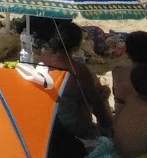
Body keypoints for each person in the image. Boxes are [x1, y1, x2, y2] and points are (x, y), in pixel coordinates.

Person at [37, 22, 112, 157]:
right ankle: (105, 128)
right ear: (77, 47)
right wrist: (105, 95)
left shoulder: (43, 57)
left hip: (47, 116)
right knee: (98, 91)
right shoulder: (78, 70)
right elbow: (94, 100)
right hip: (69, 127)